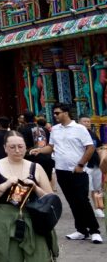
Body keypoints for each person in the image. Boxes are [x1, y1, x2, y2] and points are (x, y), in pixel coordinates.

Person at [0, 131, 58, 261]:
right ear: (5, 148)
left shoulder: (36, 167)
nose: (17, 150)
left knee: (39, 257)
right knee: (6, 257)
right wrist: (4, 186)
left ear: (26, 147)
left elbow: (51, 199)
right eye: (12, 147)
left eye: (20, 146)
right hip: (5, 220)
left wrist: (35, 187)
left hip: (34, 219)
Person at [29, 102, 101, 243]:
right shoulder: (55, 129)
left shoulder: (79, 128)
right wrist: (39, 150)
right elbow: (51, 147)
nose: (55, 116)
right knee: (72, 201)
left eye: (57, 113)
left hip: (78, 171)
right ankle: (81, 230)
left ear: (66, 113)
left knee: (82, 200)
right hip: (61, 170)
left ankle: (94, 230)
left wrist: (80, 164)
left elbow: (90, 147)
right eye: (54, 113)